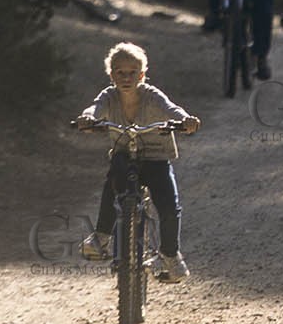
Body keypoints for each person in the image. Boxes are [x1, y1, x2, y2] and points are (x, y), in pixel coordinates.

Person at [76, 41, 199, 279]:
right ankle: (101, 237)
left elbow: (171, 109)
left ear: (142, 75)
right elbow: (95, 108)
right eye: (120, 72)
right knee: (114, 183)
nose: (126, 78)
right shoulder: (109, 96)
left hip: (156, 157)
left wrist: (186, 120)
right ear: (111, 75)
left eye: (132, 72)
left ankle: (170, 256)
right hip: (124, 154)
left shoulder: (152, 96)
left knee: (169, 206)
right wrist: (87, 118)